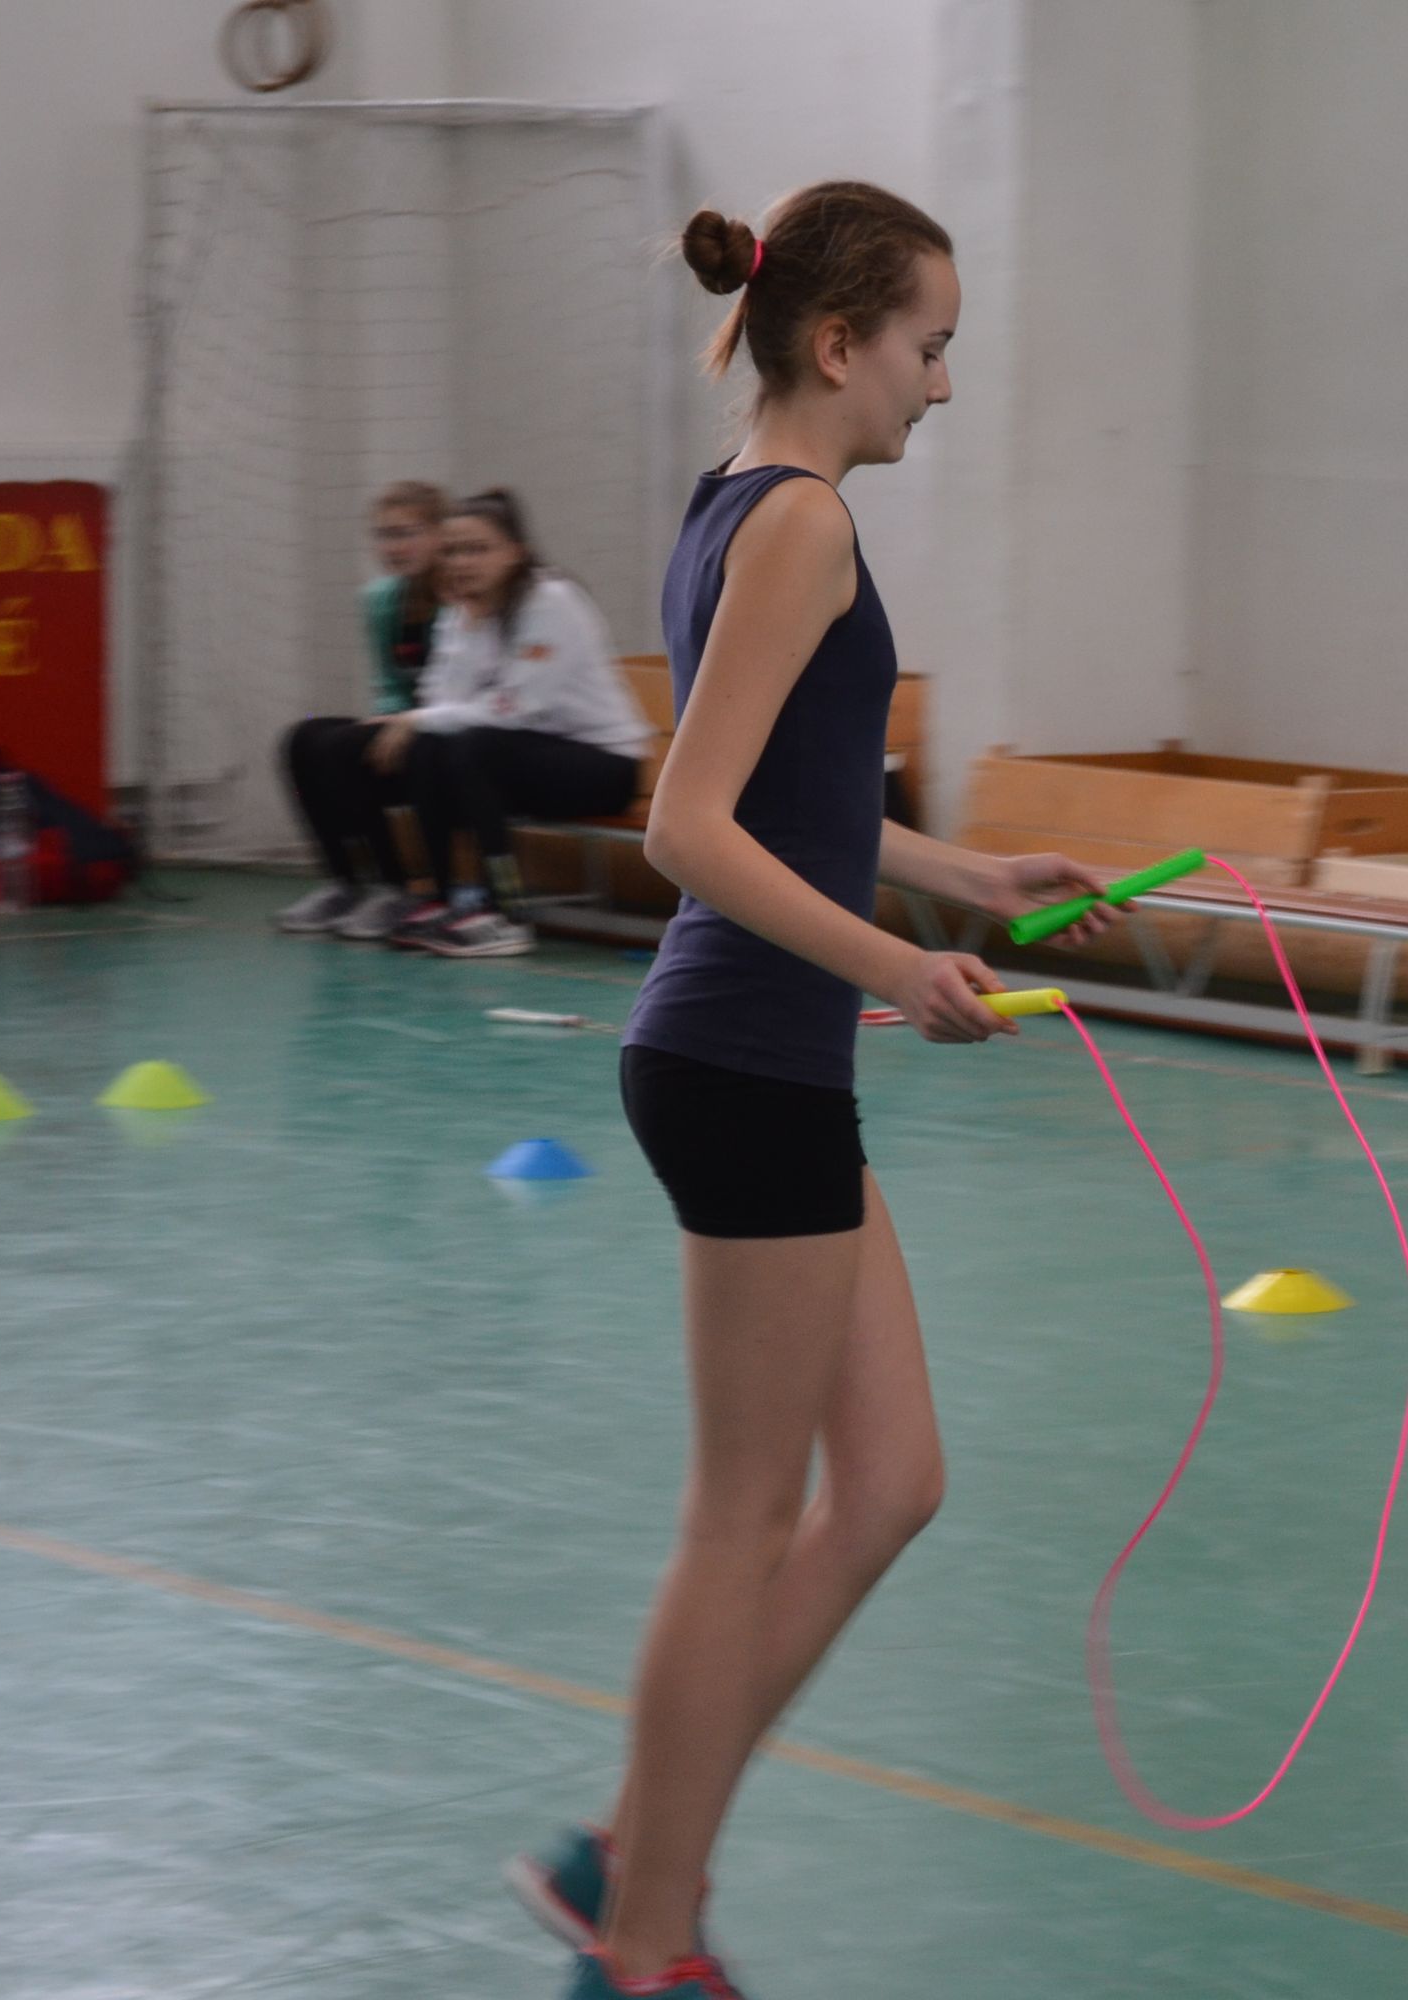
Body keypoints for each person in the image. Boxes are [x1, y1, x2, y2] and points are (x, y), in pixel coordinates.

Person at [502, 183, 1113, 2000]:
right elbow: (688, 829)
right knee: (743, 1518)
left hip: (759, 1061)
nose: (943, 385)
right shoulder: (800, 525)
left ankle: (625, 1847)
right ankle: (642, 1942)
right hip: (740, 1060)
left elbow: (795, 791)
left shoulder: (741, 504)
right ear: (838, 344)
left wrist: (955, 874)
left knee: (892, 1482)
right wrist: (894, 968)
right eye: (930, 347)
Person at [371, 489, 653, 958]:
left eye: (478, 549)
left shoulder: (550, 599)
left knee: (472, 747)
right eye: (453, 551)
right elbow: (446, 699)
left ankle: (505, 910)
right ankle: (443, 897)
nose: (462, 562)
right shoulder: (469, 608)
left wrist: (418, 717)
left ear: (515, 552)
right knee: (428, 747)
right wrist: (469, 626)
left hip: (605, 766)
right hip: (531, 755)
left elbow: (516, 709)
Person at [274, 480, 449, 938]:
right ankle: (344, 881)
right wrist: (390, 715)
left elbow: (464, 684)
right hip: (405, 721)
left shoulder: (456, 597)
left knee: (347, 747)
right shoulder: (379, 600)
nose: (394, 547)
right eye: (384, 535)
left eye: (407, 533)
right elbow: (388, 681)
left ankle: (396, 887)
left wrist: (410, 720)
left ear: (438, 535)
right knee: (304, 737)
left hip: (447, 728)